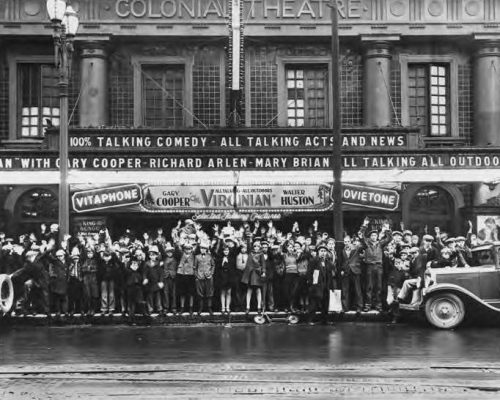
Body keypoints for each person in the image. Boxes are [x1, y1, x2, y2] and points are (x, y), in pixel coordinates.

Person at [358, 218, 392, 311]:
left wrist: (388, 229)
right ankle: (368, 305)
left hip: (379, 266)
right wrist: (364, 225)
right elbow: (360, 235)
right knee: (369, 286)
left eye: (375, 235)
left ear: (377, 236)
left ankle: (378, 306)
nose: (374, 236)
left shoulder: (380, 244)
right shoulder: (366, 243)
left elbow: (389, 238)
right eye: (372, 235)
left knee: (379, 287)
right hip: (369, 266)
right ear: (370, 237)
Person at [306, 244, 334, 325]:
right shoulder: (314, 261)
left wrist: (331, 286)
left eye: (325, 251)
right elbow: (309, 273)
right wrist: (311, 283)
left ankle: (325, 320)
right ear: (318, 252)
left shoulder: (328, 262)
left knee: (325, 304)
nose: (323, 253)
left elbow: (330, 275)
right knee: (313, 304)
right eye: (321, 251)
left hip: (325, 286)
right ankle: (310, 320)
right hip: (316, 286)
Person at [340, 235, 363, 313]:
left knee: (357, 290)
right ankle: (345, 307)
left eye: (348, 241)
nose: (347, 243)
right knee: (345, 290)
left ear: (351, 242)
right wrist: (342, 270)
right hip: (346, 271)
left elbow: (365, 245)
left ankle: (359, 307)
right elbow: (342, 261)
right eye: (345, 242)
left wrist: (361, 237)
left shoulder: (356, 248)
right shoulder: (342, 250)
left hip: (355, 270)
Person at [241, 241, 265, 313]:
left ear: (259, 247)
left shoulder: (261, 254)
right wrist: (249, 238)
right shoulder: (250, 253)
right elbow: (248, 244)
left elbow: (263, 264)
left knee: (258, 289)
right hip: (250, 273)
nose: (256, 248)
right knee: (249, 289)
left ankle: (259, 307)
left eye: (257, 246)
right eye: (255, 246)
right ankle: (247, 307)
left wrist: (263, 272)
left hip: (257, 273)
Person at [194, 240, 215, 314]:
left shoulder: (210, 256)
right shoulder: (197, 257)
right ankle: (200, 308)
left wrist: (211, 273)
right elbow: (195, 267)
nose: (202, 249)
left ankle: (209, 308)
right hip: (200, 277)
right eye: (201, 248)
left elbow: (213, 265)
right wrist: (196, 276)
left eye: (204, 248)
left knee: (209, 293)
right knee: (200, 293)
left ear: (206, 249)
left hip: (208, 277)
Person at [143, 245, 164, 315]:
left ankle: (159, 308)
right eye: (151, 255)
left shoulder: (158, 264)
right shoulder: (147, 264)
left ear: (156, 256)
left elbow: (161, 273)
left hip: (156, 282)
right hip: (149, 283)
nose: (152, 256)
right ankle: (150, 309)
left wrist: (161, 281)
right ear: (149, 256)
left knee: (158, 296)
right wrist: (145, 278)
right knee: (150, 296)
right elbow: (144, 273)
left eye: (154, 255)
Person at [215, 244, 236, 314]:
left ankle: (228, 307)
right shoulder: (220, 258)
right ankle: (223, 307)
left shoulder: (231, 258)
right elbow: (218, 268)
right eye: (224, 250)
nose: (226, 251)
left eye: (227, 250)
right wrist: (222, 262)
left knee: (229, 292)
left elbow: (233, 268)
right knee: (223, 292)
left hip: (229, 276)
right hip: (222, 276)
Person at [176, 243, 196, 314]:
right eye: (186, 249)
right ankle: (182, 308)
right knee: (182, 293)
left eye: (189, 249)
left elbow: (197, 249)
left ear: (191, 249)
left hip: (191, 275)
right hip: (182, 275)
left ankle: (191, 308)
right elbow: (178, 250)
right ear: (184, 249)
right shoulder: (181, 255)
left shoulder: (193, 255)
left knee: (191, 293)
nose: (188, 250)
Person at [49, 249, 68, 317]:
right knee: (57, 297)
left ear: (64, 256)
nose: (59, 257)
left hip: (65, 281)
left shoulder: (67, 262)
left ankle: (65, 311)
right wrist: (53, 276)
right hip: (57, 281)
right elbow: (51, 270)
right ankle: (58, 311)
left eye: (61, 256)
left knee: (64, 297)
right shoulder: (55, 262)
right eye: (58, 256)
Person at [81, 247, 99, 316]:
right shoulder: (85, 260)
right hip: (86, 279)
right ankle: (89, 309)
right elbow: (83, 268)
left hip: (93, 279)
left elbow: (96, 269)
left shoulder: (95, 261)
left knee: (94, 295)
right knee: (88, 295)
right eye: (88, 253)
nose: (89, 254)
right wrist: (88, 269)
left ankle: (93, 309)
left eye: (91, 253)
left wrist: (89, 269)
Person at [162, 242, 178, 314]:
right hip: (166, 277)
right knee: (166, 293)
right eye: (168, 252)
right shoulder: (164, 260)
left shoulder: (175, 259)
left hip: (173, 278)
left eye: (170, 252)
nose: (169, 253)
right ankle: (166, 308)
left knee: (173, 293)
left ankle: (173, 307)